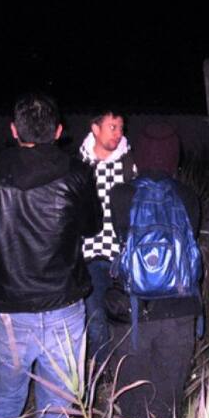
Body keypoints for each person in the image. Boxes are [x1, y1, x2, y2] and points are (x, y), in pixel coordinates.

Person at [0, 93, 102, 418]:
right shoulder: (78, 175)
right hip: (65, 307)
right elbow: (92, 226)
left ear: (14, 130)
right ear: (58, 132)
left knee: (3, 405)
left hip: (13, 313)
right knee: (57, 410)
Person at [107, 122, 202, 418]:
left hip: (132, 312)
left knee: (132, 407)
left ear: (140, 155)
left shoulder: (120, 195)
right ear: (174, 156)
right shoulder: (189, 197)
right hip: (179, 311)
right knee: (166, 406)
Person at [78, 110, 136, 362]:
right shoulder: (79, 166)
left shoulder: (130, 165)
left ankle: (124, 373)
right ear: (95, 128)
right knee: (96, 323)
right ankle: (101, 375)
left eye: (121, 127)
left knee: (124, 321)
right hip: (88, 257)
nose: (118, 133)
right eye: (112, 127)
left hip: (121, 257)